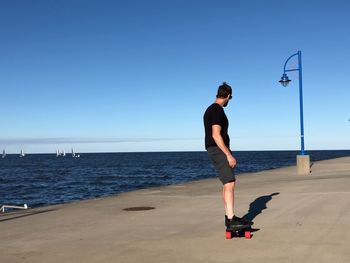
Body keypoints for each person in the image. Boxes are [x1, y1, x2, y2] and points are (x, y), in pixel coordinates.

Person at [203, 82, 253, 231]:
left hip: (214, 149)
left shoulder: (210, 109)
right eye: (230, 99)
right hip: (218, 149)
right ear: (228, 96)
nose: (229, 101)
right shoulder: (217, 110)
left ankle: (229, 217)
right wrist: (229, 154)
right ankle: (231, 220)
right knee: (230, 183)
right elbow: (216, 135)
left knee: (227, 183)